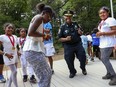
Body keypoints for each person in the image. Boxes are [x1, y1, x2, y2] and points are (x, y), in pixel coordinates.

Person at [23, 3, 54, 87]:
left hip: (32, 51)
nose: (49, 19)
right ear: (44, 13)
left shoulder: (39, 20)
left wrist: (44, 34)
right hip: (33, 51)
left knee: (44, 75)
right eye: (49, 16)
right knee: (46, 75)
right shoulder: (39, 17)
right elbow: (30, 33)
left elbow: (36, 33)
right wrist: (44, 35)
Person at [58, 10, 87, 78]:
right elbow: (59, 38)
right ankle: (72, 71)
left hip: (77, 44)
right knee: (68, 59)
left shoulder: (76, 24)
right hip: (68, 45)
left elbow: (81, 32)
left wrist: (80, 33)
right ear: (64, 17)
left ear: (72, 17)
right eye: (66, 16)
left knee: (83, 56)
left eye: (70, 16)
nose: (68, 17)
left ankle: (83, 68)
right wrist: (65, 39)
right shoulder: (62, 27)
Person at [96, 6, 116, 86]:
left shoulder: (111, 20)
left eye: (104, 12)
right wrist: (99, 34)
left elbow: (115, 31)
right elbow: (102, 31)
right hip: (103, 44)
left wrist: (103, 33)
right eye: (100, 13)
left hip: (109, 43)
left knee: (104, 59)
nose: (102, 14)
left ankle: (114, 77)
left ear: (108, 13)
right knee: (103, 58)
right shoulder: (102, 22)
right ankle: (108, 74)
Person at [0, 23, 19, 87]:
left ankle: (9, 85)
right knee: (15, 72)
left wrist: (18, 52)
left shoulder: (15, 37)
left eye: (11, 28)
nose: (10, 29)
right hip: (8, 56)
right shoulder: (2, 37)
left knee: (13, 72)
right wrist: (6, 54)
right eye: (8, 28)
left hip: (15, 56)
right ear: (4, 29)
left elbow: (15, 46)